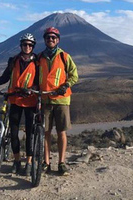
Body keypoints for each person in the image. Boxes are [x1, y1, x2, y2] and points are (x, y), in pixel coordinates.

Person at [0, 33, 38, 176]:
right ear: (21, 45)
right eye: (25, 44)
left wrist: (31, 90)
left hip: (30, 101)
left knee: (30, 133)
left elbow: (39, 81)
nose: (27, 47)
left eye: (30, 45)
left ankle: (29, 162)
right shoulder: (13, 61)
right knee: (14, 133)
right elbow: (5, 78)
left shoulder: (37, 62)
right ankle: (17, 161)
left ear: (33, 46)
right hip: (15, 100)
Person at [38, 27, 78, 176]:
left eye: (53, 37)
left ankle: (61, 163)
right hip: (46, 99)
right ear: (45, 39)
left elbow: (74, 75)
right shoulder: (39, 57)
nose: (51, 40)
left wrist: (65, 85)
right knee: (45, 133)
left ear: (58, 40)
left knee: (61, 132)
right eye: (48, 37)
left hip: (61, 100)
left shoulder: (65, 57)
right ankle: (46, 162)